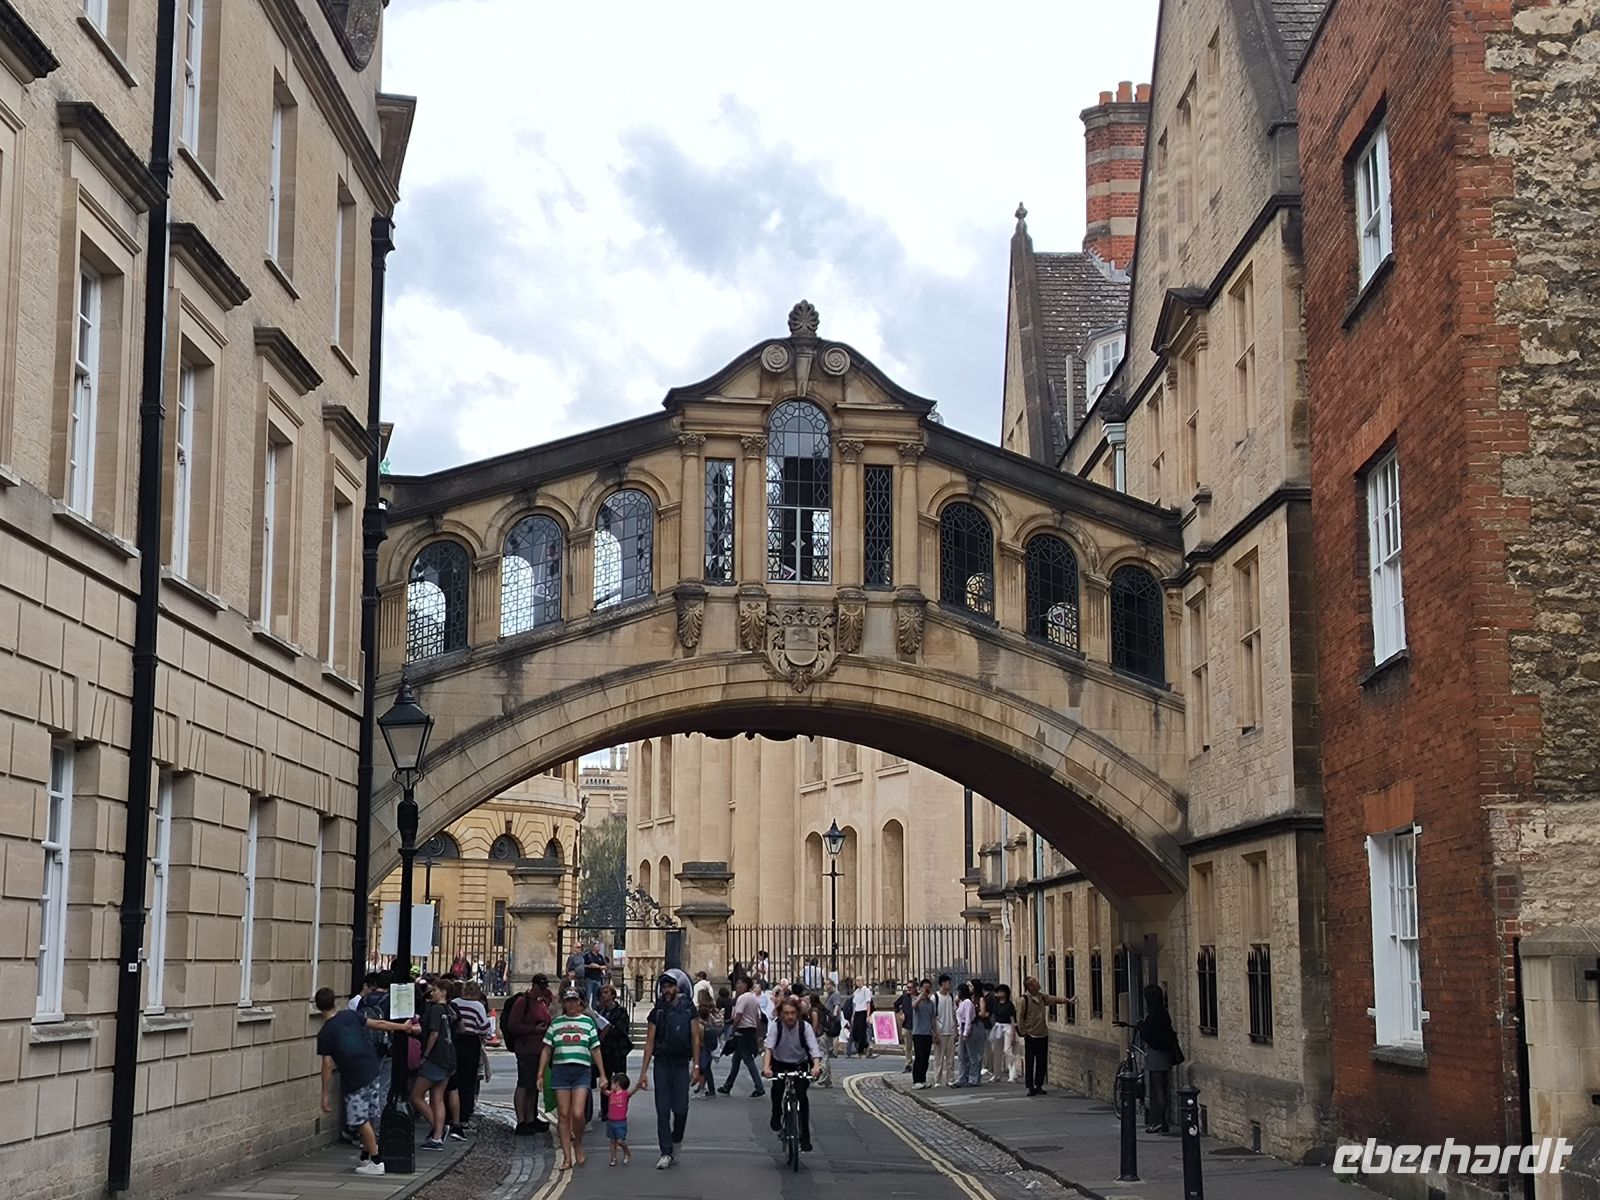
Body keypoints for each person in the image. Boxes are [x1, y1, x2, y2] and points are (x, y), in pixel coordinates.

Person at [314, 986, 415, 1175]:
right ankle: (365, 1156)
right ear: (334, 1001)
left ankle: (376, 1161)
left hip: (355, 1076)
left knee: (360, 1119)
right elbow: (379, 1024)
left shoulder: (325, 1033)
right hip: (371, 1067)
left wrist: (325, 1094)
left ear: (317, 1007)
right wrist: (402, 1027)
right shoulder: (350, 1016)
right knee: (370, 1114)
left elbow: (327, 1065)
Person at [636, 969, 702, 1170]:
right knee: (662, 1111)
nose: (666, 990)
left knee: (681, 1109)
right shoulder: (658, 1012)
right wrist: (643, 1072)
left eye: (670, 986)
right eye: (664, 987)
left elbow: (695, 1037)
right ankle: (665, 1152)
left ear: (677, 988)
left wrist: (696, 1066)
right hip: (662, 1064)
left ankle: (676, 1140)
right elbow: (649, 1042)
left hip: (681, 1063)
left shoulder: (688, 1009)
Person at [538, 987, 609, 1171]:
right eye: (567, 1001)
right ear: (563, 1003)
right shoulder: (556, 1023)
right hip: (561, 1070)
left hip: (581, 1070)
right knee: (563, 1114)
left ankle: (578, 1143)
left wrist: (602, 1074)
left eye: (574, 1000)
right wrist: (540, 1073)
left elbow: (595, 1049)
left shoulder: (587, 1022)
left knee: (578, 1113)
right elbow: (547, 1049)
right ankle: (567, 1157)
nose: (570, 1004)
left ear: (580, 1003)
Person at [763, 997, 823, 1153]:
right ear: (781, 1014)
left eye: (793, 1013)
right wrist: (766, 1068)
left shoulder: (805, 1027)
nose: (789, 1017)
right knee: (777, 1089)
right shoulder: (776, 1026)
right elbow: (769, 1048)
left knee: (802, 1097)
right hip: (780, 1063)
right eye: (786, 1013)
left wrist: (816, 1066)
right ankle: (776, 1114)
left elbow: (813, 1048)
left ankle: (805, 1137)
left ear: (798, 1013)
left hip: (799, 1064)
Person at [503, 973, 554, 1133]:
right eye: (541, 986)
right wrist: (533, 1029)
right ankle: (521, 1121)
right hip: (526, 1049)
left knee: (533, 1085)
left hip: (539, 1048)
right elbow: (513, 1025)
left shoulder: (540, 1001)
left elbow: (549, 1000)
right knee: (524, 1084)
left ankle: (531, 1118)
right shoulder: (522, 1001)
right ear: (534, 985)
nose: (543, 990)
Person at [413, 978, 457, 1149]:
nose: (432, 993)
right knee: (438, 1097)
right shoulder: (448, 1010)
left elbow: (434, 1034)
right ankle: (437, 1136)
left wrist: (425, 1054)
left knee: (416, 1095)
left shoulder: (436, 1009)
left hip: (435, 1057)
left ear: (443, 993)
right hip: (448, 1056)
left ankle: (439, 1129)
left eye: (435, 990)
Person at [1136, 984, 1184, 1133]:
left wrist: (1141, 1025)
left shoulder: (1152, 1017)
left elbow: (1148, 1036)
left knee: (1158, 1090)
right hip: (1166, 1055)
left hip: (1156, 1055)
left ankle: (1159, 1121)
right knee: (1163, 1087)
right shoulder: (1164, 1014)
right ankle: (1162, 1121)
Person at [451, 981, 493, 1132]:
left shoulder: (454, 1003)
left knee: (453, 1080)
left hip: (455, 1041)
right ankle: (464, 1116)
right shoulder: (478, 1006)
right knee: (468, 1081)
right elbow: (485, 1028)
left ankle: (451, 1115)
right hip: (471, 1043)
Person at [1017, 976, 1067, 1096]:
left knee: (1042, 1061)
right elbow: (1019, 1018)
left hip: (1042, 1033)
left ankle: (1039, 1085)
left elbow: (1053, 999)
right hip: (1031, 1034)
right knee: (1030, 1061)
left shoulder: (1041, 997)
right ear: (1030, 986)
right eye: (1034, 982)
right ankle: (1030, 1086)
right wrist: (1023, 1032)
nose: (1038, 983)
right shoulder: (1024, 1000)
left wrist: (1066, 1000)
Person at [718, 974, 764, 1095]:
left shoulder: (743, 998)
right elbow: (757, 1018)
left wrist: (733, 1031)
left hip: (742, 1030)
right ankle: (728, 1085)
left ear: (745, 985)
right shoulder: (753, 998)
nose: (737, 985)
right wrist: (758, 1034)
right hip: (750, 1030)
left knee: (748, 1060)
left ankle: (759, 1087)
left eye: (739, 983)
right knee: (736, 1060)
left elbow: (738, 1016)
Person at [596, 984, 633, 1080]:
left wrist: (607, 1029)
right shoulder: (601, 1012)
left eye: (606, 992)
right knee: (606, 1079)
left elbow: (619, 1030)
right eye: (602, 993)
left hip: (618, 1050)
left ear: (613, 995)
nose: (603, 995)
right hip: (606, 1050)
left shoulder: (621, 1011)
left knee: (620, 1078)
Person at [954, 983, 985, 1088]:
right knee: (962, 1056)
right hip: (962, 1027)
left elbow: (968, 1019)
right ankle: (963, 1077)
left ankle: (973, 1078)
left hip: (969, 1028)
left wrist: (966, 1032)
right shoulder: (962, 1003)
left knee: (972, 1055)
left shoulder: (967, 1003)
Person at [988, 983, 1019, 1084]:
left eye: (1001, 991)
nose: (999, 993)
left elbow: (1012, 1020)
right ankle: (996, 1074)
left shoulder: (1009, 1005)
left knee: (1007, 1050)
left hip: (1007, 1027)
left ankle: (1012, 1073)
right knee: (996, 1051)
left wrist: (1013, 1033)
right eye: (998, 992)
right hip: (998, 1026)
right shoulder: (996, 1004)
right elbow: (993, 1016)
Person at [909, 979, 936, 1088]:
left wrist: (935, 1032)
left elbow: (933, 1019)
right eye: (925, 987)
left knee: (926, 1058)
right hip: (918, 1033)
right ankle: (916, 1081)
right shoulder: (916, 999)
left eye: (928, 987)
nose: (927, 989)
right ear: (920, 988)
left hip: (928, 1033)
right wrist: (921, 996)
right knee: (919, 1057)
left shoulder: (931, 1003)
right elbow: (913, 1006)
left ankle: (923, 1079)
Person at [696, 990, 723, 1098]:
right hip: (712, 1037)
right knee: (707, 1065)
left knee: (704, 1065)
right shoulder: (713, 1006)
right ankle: (704, 1086)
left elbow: (702, 1022)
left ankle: (706, 1088)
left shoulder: (703, 1008)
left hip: (704, 1037)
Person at [604, 1072, 634, 1166]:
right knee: (612, 1141)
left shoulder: (625, 1094)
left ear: (617, 1084)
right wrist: (602, 1087)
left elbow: (632, 1092)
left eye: (612, 1083)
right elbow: (604, 1091)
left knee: (620, 1141)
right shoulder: (611, 1094)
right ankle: (613, 1158)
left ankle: (626, 1151)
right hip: (611, 1121)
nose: (611, 1085)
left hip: (620, 1122)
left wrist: (638, 1085)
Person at [932, 975, 957, 1087]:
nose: (949, 985)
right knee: (939, 1058)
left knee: (950, 1059)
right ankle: (937, 1080)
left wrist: (955, 1030)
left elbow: (954, 1014)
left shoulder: (951, 996)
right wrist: (935, 1033)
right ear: (942, 983)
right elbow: (932, 1016)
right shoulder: (935, 998)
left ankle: (950, 1079)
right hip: (940, 1031)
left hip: (950, 1030)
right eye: (948, 983)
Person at [850, 977, 876, 1058]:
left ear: (863, 981)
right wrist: (853, 1016)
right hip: (857, 1012)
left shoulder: (866, 990)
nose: (857, 982)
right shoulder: (856, 992)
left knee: (862, 1032)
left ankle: (860, 1052)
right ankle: (867, 1046)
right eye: (856, 981)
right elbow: (855, 1005)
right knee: (855, 1032)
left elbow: (868, 1003)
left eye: (859, 980)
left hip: (863, 1012)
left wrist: (868, 1015)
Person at [821, 978, 844, 1055]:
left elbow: (837, 1004)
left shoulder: (836, 994)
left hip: (834, 1018)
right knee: (829, 1034)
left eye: (828, 984)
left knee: (834, 1035)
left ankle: (835, 1052)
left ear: (832, 985)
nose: (826, 986)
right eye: (825, 984)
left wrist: (834, 1014)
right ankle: (831, 1049)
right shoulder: (830, 994)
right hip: (829, 1018)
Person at [584, 940, 608, 1006]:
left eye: (599, 947)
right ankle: (586, 1008)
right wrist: (589, 966)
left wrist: (599, 967)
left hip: (598, 979)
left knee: (596, 996)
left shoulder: (600, 956)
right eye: (597, 946)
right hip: (589, 978)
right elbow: (583, 965)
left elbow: (605, 966)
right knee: (588, 995)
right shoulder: (587, 956)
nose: (599, 948)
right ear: (593, 947)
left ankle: (594, 1009)